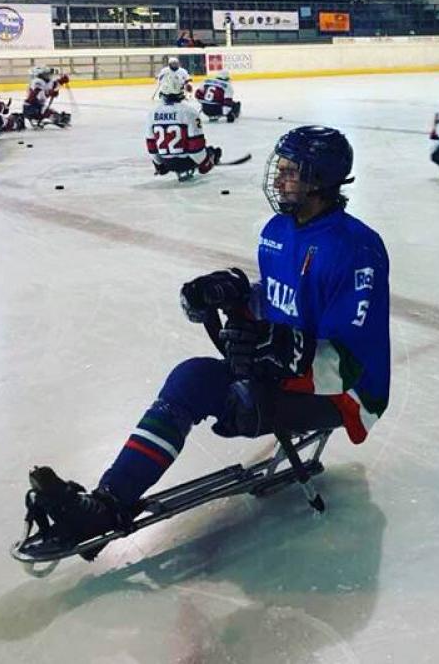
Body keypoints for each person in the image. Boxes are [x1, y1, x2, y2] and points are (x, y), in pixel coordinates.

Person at [24, 126, 391, 552]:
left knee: (232, 398)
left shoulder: (356, 249)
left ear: (320, 180)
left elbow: (352, 363)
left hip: (342, 394)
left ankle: (107, 505)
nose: (278, 179)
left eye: (291, 172)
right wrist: (235, 295)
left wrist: (278, 349)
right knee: (191, 378)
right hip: (292, 372)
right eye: (281, 169)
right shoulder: (277, 230)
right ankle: (107, 502)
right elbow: (280, 297)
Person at [147, 70, 221, 181]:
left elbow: (151, 145)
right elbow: (196, 146)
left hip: (166, 162)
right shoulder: (189, 112)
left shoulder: (152, 113)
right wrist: (206, 164)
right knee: (214, 151)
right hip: (187, 162)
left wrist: (159, 165)